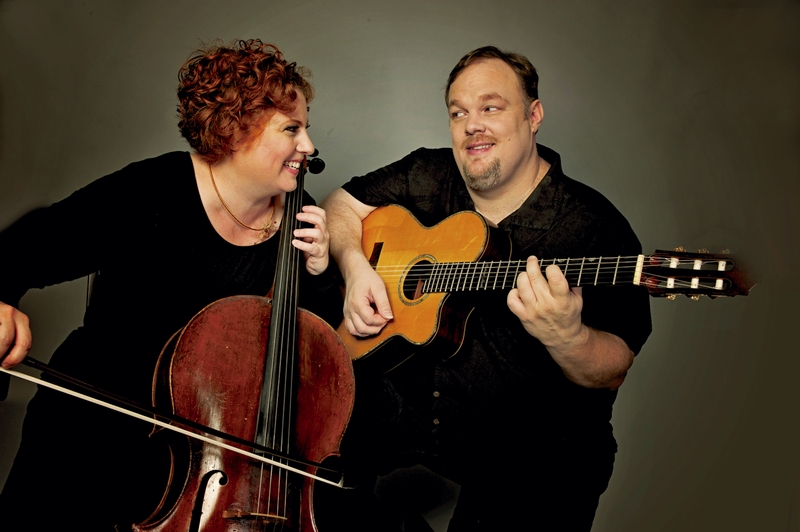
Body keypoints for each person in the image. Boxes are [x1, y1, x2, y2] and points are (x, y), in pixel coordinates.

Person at [0, 39, 342, 529]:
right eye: (292, 129)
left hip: (196, 464)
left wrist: (320, 271)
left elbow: (314, 363)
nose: (308, 146)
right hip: (86, 435)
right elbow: (22, 250)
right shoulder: (150, 191)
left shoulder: (299, 223)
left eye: (305, 128)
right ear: (233, 130)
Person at [317, 46, 653, 531]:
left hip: (532, 466)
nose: (472, 125)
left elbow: (614, 366)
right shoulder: (427, 172)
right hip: (401, 432)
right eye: (459, 113)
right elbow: (340, 205)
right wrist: (355, 269)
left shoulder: (594, 226)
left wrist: (567, 337)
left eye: (490, 108)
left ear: (533, 116)